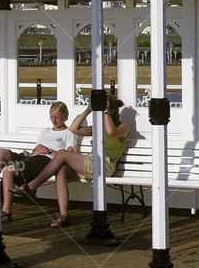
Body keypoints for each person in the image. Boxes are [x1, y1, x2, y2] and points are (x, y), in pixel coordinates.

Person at [18, 95, 129, 227]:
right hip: (91, 163)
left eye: (104, 109)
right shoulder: (97, 128)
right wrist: (89, 109)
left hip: (104, 165)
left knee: (62, 154)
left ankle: (32, 186)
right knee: (61, 170)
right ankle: (63, 215)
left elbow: (111, 132)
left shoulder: (123, 127)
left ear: (112, 111)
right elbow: (73, 129)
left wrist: (104, 113)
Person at [0, 101, 81, 220]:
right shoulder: (45, 131)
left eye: (58, 117)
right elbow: (36, 149)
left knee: (8, 170)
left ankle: (6, 211)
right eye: (52, 117)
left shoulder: (69, 133)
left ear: (65, 117)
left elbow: (69, 154)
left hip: (47, 160)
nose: (54, 120)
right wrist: (35, 151)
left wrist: (48, 151)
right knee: (2, 152)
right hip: (32, 158)